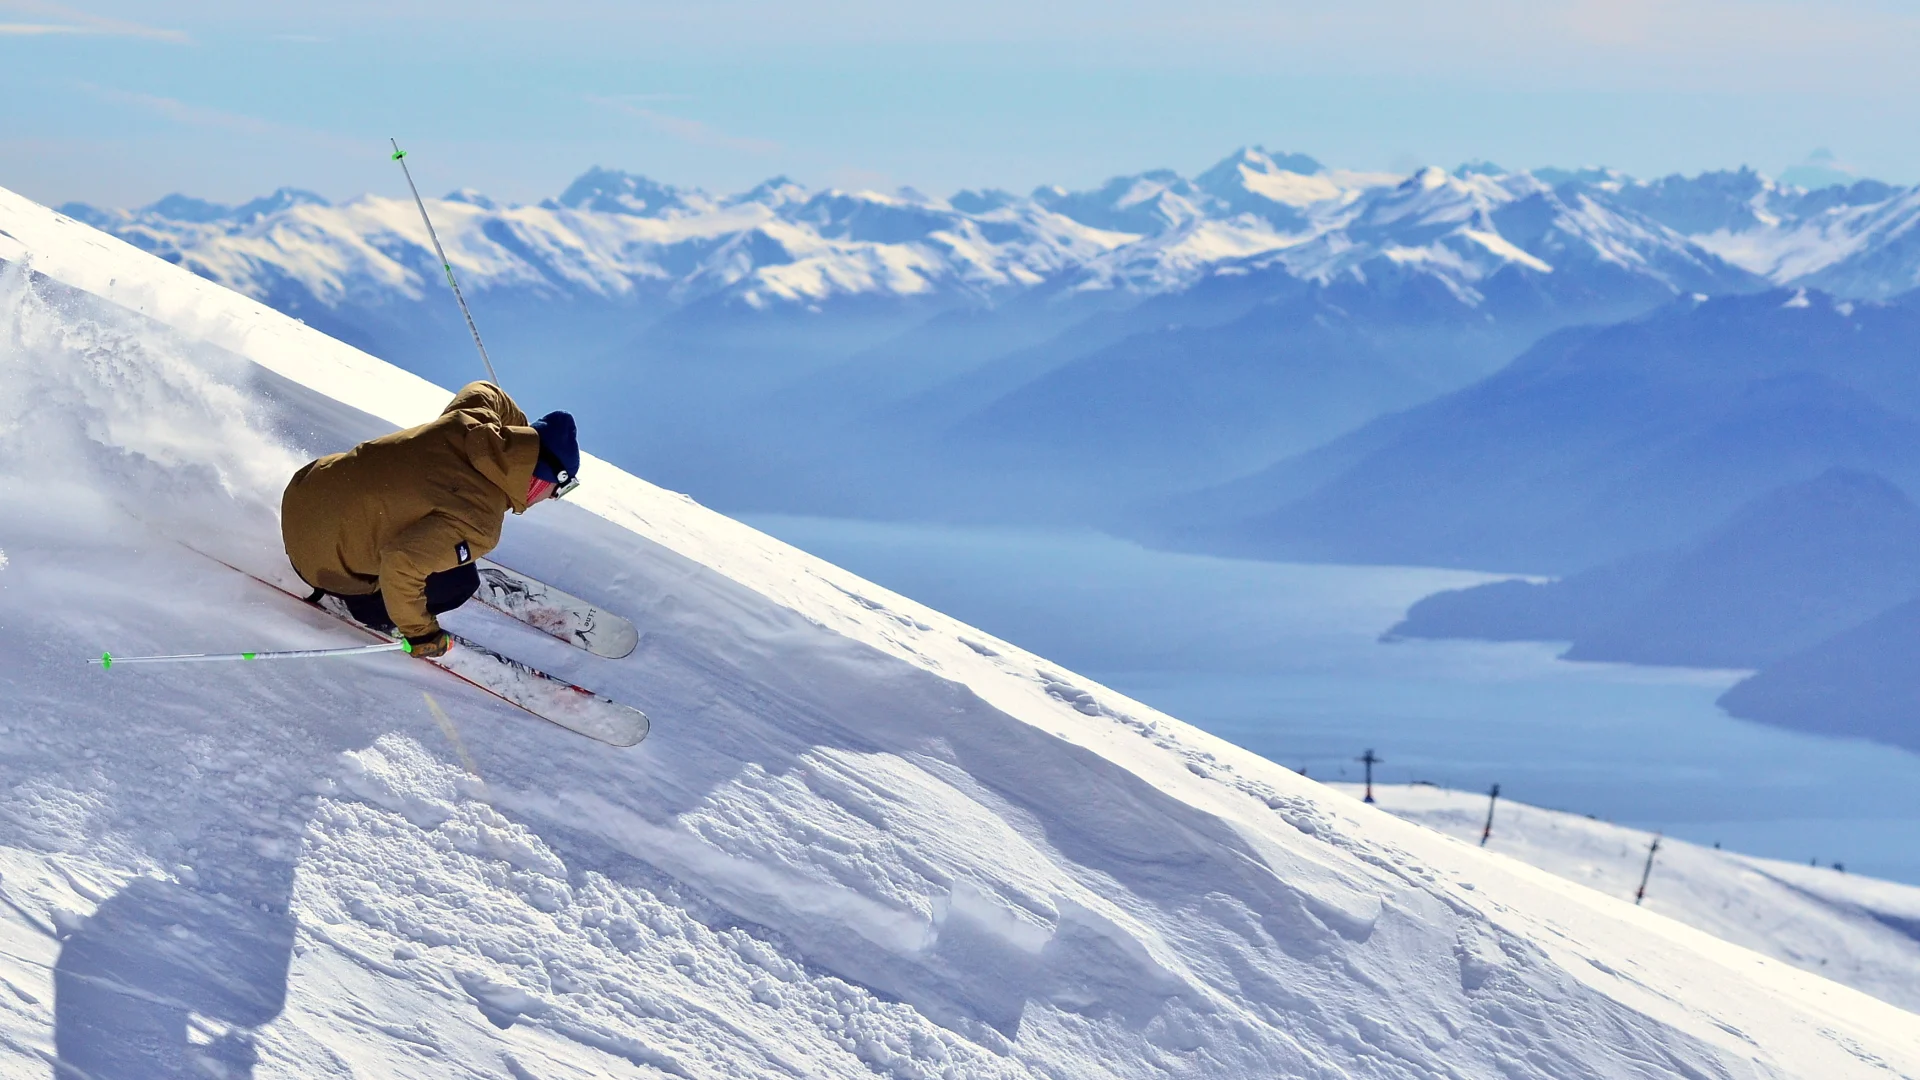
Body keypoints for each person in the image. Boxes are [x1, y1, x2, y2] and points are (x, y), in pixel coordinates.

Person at [280, 382, 578, 659]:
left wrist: (520, 440)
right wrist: (421, 634)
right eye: (561, 490)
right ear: (544, 481)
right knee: (461, 582)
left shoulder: (470, 419)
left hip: (300, 494)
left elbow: (486, 390)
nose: (553, 498)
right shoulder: (481, 523)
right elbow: (399, 563)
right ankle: (365, 607)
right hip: (318, 563)